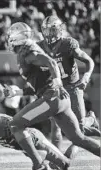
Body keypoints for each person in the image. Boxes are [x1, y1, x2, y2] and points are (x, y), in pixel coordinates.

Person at [3, 22, 100, 170]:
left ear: (16, 37)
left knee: (16, 124)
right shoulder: (29, 49)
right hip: (58, 98)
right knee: (78, 138)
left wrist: (58, 85)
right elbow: (39, 83)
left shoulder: (26, 52)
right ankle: (62, 163)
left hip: (53, 97)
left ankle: (39, 164)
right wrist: (18, 92)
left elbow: (52, 63)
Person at [38, 15, 100, 150]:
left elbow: (89, 61)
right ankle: (57, 158)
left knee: (80, 127)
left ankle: (91, 120)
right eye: (47, 30)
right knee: (56, 125)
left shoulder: (68, 44)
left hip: (73, 87)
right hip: (56, 89)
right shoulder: (39, 47)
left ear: (59, 29)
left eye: (53, 30)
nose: (49, 33)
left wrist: (86, 76)